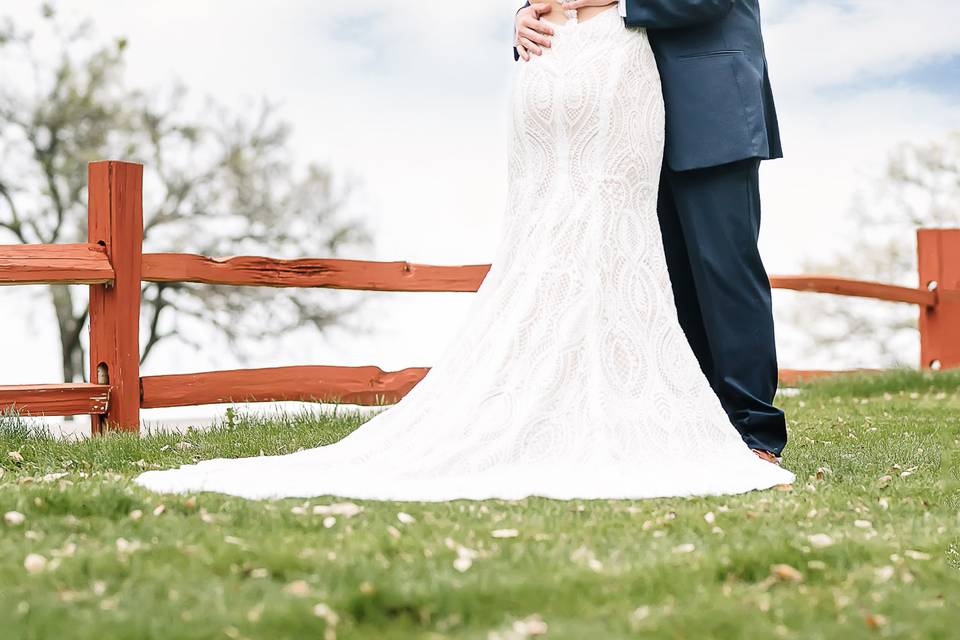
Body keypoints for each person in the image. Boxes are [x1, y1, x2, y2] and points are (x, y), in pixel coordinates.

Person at [135, 2, 794, 500]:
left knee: (721, 266)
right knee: (657, 275)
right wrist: (530, 18)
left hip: (709, 102)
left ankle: (755, 434)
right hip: (618, 105)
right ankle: (693, 423)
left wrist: (613, 6)